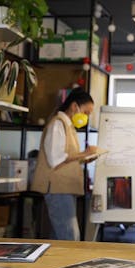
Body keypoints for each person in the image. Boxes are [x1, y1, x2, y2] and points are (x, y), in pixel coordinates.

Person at [31, 87, 97, 241]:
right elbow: (55, 158)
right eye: (86, 112)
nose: (86, 117)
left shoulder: (67, 126)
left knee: (59, 235)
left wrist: (85, 158)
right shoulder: (57, 124)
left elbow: (67, 158)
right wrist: (83, 154)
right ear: (74, 106)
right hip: (57, 187)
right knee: (69, 236)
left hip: (64, 187)